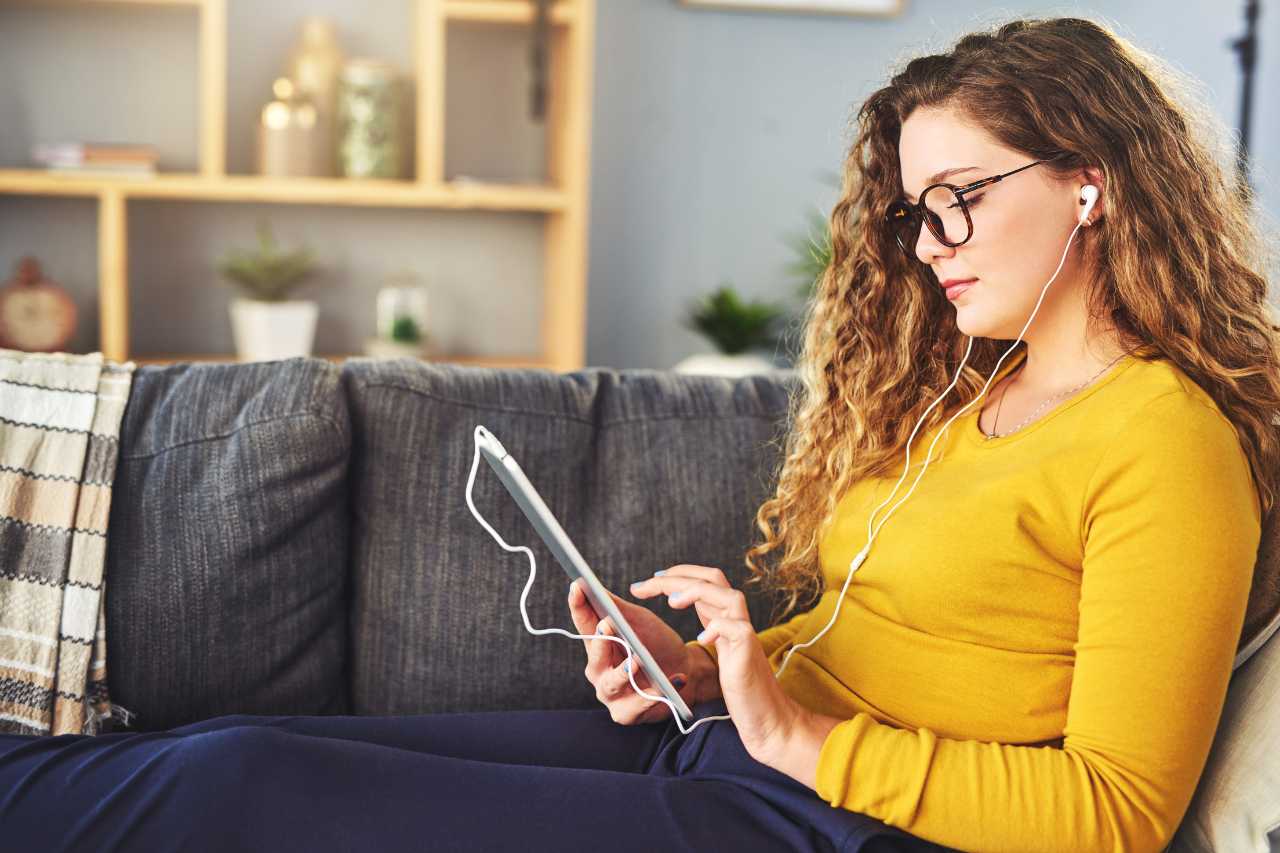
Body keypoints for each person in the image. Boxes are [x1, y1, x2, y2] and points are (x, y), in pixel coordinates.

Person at [4, 15, 1278, 853]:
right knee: (226, 746)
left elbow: (1115, 811)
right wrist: (707, 671)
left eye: (957, 200)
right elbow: (895, 649)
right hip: (740, 757)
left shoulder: (1162, 442)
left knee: (235, 792)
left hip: (837, 826)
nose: (927, 244)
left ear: (1090, 181)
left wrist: (791, 737)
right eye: (910, 212)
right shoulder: (960, 391)